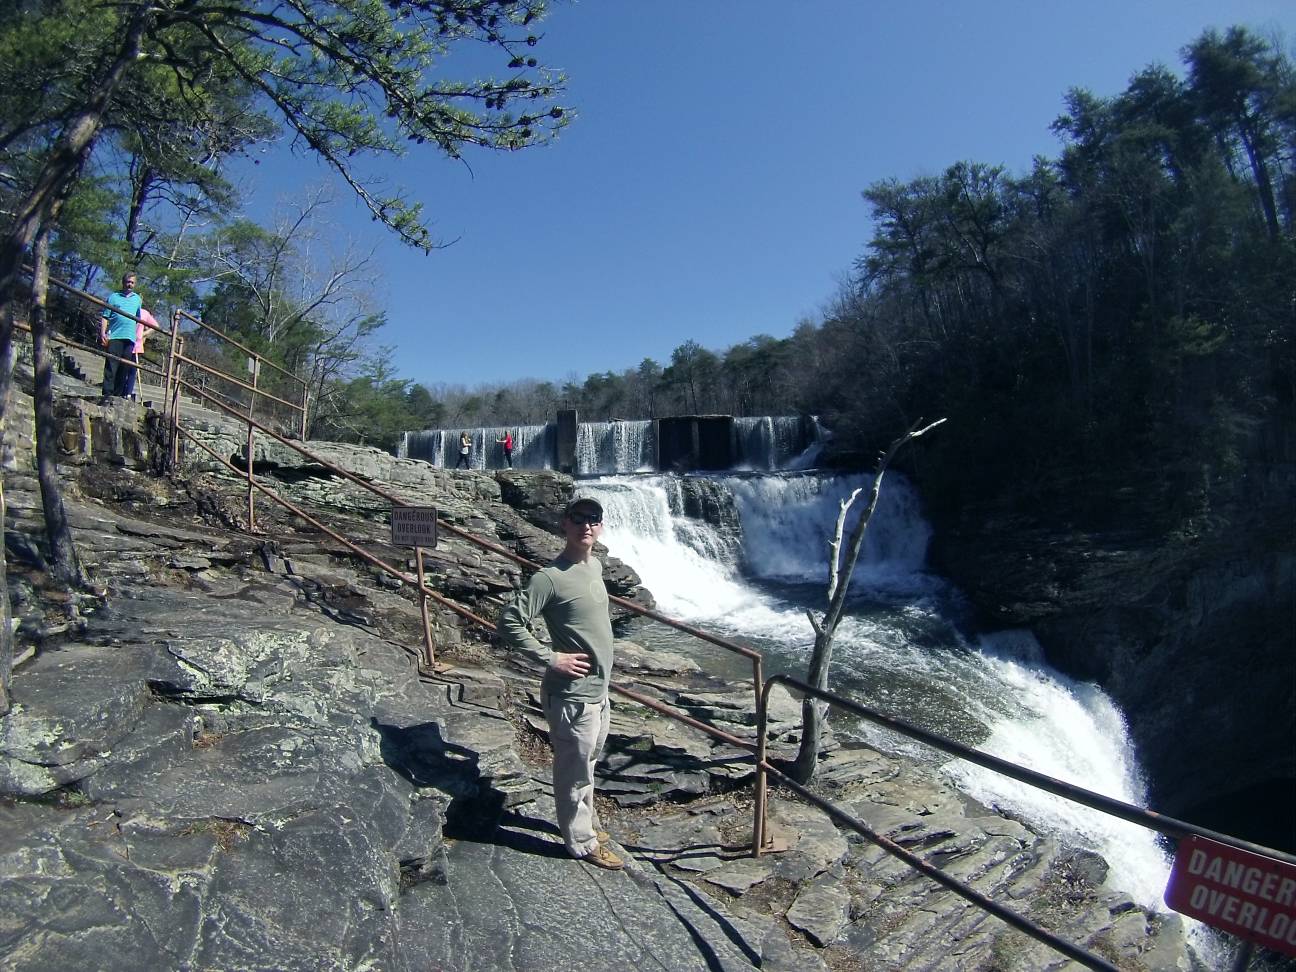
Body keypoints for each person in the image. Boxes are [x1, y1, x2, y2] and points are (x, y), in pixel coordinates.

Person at [499, 497, 624, 870]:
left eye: (593, 519)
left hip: (598, 692)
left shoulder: (595, 566)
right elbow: (509, 621)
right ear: (564, 524)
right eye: (578, 518)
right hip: (572, 697)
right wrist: (551, 657)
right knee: (573, 772)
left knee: (588, 764)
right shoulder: (549, 577)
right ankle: (581, 843)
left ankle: (588, 823)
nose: (586, 525)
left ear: (600, 527)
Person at [99, 272, 142, 402]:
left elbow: (138, 319)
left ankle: (117, 396)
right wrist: (103, 333)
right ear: (123, 282)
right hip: (115, 336)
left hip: (129, 338)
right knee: (111, 366)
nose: (130, 285)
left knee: (124, 367)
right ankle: (107, 394)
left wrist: (135, 335)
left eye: (132, 282)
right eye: (128, 282)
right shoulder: (114, 297)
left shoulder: (137, 299)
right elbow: (105, 316)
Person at [121, 306, 158, 402]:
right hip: (126, 342)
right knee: (125, 369)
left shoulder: (144, 312)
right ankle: (124, 391)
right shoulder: (129, 308)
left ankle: (128, 393)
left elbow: (155, 326)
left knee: (131, 371)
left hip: (136, 344)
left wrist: (143, 334)